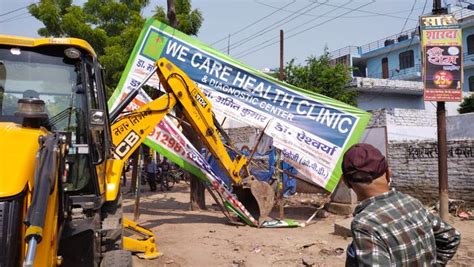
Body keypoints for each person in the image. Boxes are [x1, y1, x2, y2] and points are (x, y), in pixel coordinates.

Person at [341, 143, 461, 266]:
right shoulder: (412, 202)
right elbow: (451, 237)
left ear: (345, 182)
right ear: (389, 173)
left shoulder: (365, 224)